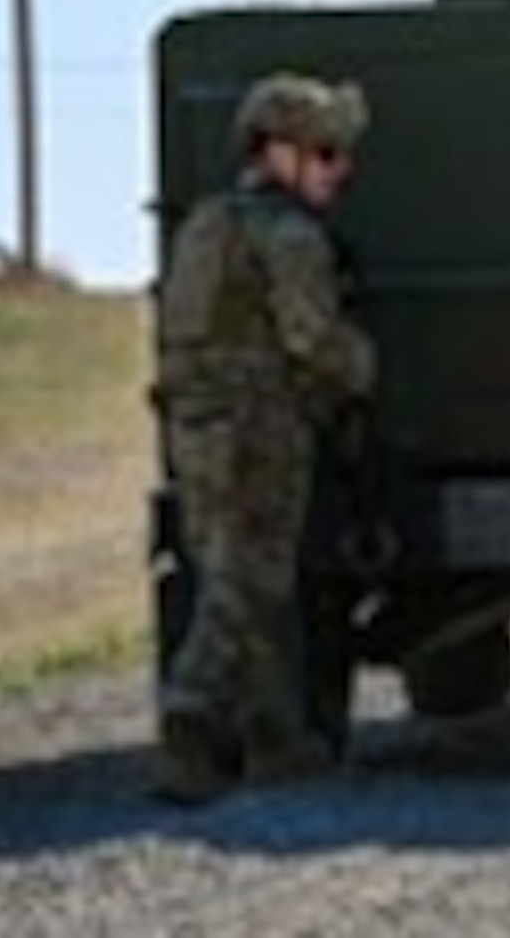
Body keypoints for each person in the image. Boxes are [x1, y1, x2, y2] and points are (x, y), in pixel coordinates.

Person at [151, 72, 376, 805]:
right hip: (258, 426)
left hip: (195, 424)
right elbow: (311, 336)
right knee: (246, 584)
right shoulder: (289, 237)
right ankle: (190, 714)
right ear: (278, 152)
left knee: (240, 573)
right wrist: (363, 366)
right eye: (327, 152)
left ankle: (276, 740)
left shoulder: (208, 224)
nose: (341, 170)